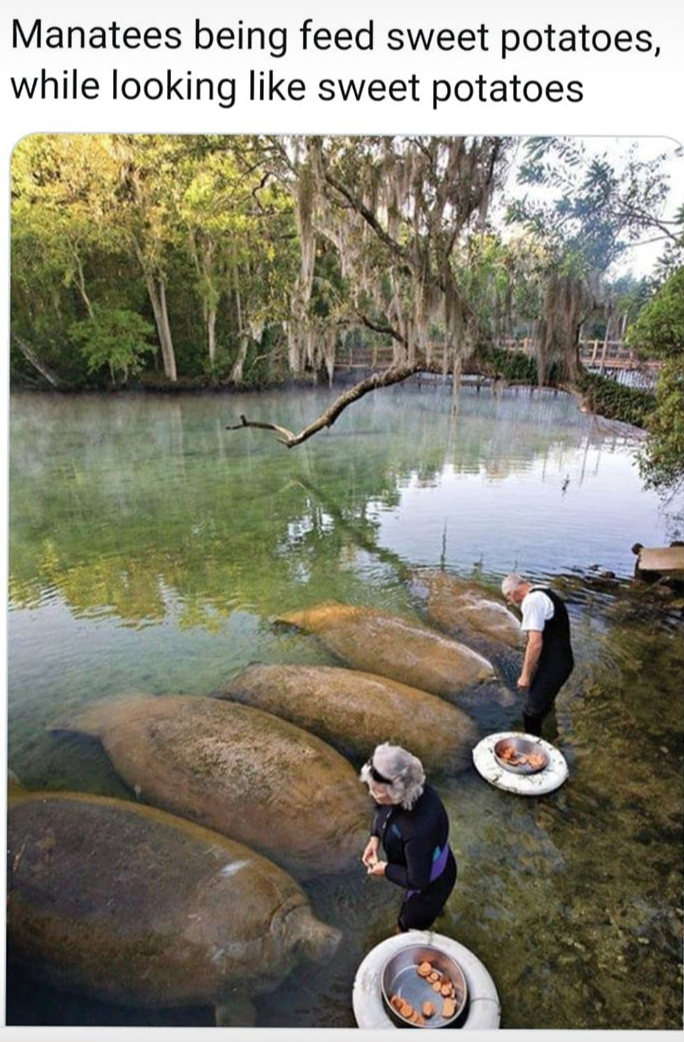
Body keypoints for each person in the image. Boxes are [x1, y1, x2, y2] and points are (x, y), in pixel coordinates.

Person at [359, 743, 457, 933]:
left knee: (406, 926)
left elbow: (418, 881)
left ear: (397, 793)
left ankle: (428, 917)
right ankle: (436, 911)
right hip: (432, 863)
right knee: (434, 908)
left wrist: (385, 869)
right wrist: (374, 837)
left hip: (430, 883)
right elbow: (382, 810)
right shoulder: (410, 792)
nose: (371, 794)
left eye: (376, 791)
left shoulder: (417, 829)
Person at [501, 573, 574, 737]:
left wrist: (525, 676)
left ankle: (532, 750)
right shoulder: (542, 590)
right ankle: (551, 734)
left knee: (531, 712)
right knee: (544, 702)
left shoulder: (532, 602)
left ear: (511, 593)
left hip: (555, 664)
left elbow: (535, 642)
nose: (510, 602)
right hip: (561, 660)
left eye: (508, 598)